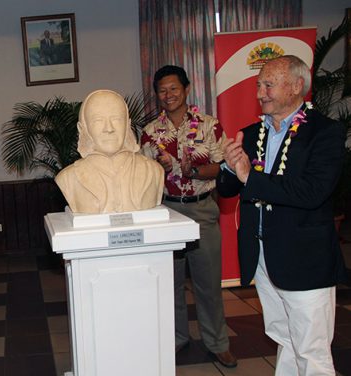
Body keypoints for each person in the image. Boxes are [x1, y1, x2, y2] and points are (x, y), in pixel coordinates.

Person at [218, 55, 346, 375]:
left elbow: (312, 192)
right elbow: (227, 189)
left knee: (311, 348)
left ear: (296, 86)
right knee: (285, 337)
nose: (260, 92)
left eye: (268, 85)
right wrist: (228, 166)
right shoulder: (250, 133)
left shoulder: (325, 133)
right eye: (258, 85)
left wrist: (250, 176)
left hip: (305, 258)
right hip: (263, 256)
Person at [140, 65, 236, 368]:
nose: (167, 95)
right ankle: (176, 339)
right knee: (170, 283)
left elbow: (220, 167)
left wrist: (187, 168)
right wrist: (160, 168)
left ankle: (217, 342)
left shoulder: (209, 125)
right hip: (166, 210)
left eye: (173, 89)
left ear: (186, 89)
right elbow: (143, 175)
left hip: (201, 209)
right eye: (162, 90)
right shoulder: (150, 131)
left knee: (208, 282)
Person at [55, 89, 164, 214]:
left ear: (127, 125)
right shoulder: (68, 178)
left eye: (116, 119)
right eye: (98, 120)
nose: (109, 128)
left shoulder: (154, 171)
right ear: (83, 128)